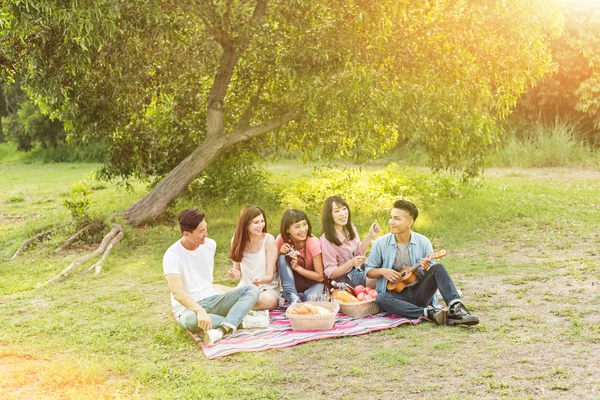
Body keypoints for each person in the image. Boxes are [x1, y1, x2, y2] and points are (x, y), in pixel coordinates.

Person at [163, 209, 270, 346]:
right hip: (190, 308)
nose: (206, 234)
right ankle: (241, 320)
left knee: (252, 290)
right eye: (201, 231)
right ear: (186, 234)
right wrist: (199, 310)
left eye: (205, 228)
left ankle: (222, 329)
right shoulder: (172, 255)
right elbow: (177, 292)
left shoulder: (209, 245)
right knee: (189, 321)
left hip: (214, 299)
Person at [365, 200, 479, 326]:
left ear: (410, 222)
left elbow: (432, 273)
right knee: (381, 299)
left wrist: (425, 269)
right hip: (396, 296)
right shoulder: (380, 243)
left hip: (420, 293)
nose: (391, 222)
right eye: (391, 217)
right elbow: (369, 271)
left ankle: (457, 309)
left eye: (397, 219)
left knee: (438, 268)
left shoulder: (423, 242)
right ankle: (430, 313)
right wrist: (383, 271)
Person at [228, 205, 281, 311]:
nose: (261, 225)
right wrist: (234, 273)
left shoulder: (269, 240)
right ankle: (242, 308)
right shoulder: (236, 241)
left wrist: (259, 281)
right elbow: (238, 271)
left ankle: (239, 308)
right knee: (218, 293)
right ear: (245, 224)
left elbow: (269, 276)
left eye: (262, 221)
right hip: (245, 288)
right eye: (256, 222)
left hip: (266, 290)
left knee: (264, 300)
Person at [320, 195, 381, 287]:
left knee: (385, 265)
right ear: (329, 215)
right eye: (337, 211)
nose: (343, 213)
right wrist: (351, 263)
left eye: (344, 209)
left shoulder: (350, 227)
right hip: (343, 278)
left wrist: (370, 235)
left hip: (357, 268)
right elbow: (331, 273)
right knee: (381, 279)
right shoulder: (326, 239)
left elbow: (358, 253)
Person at [276, 209, 326, 304]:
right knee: (281, 258)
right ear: (287, 229)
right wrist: (279, 252)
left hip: (314, 282)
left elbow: (320, 277)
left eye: (304, 224)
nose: (303, 229)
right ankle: (293, 296)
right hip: (294, 282)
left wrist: (298, 268)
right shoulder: (281, 240)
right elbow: (272, 267)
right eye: (297, 227)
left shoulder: (313, 243)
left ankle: (293, 297)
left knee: (310, 299)